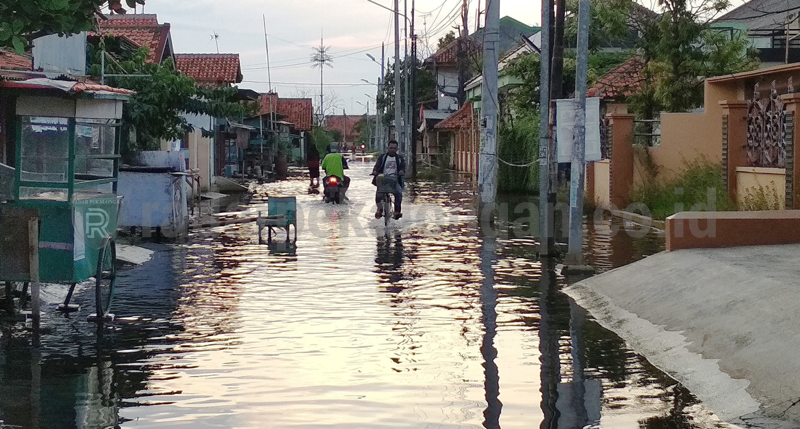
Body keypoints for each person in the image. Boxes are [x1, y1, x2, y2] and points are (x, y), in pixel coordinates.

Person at [371, 140, 405, 219]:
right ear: (387, 148)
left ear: (397, 149)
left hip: (395, 180)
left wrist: (401, 171)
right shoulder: (382, 157)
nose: (392, 150)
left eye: (394, 148)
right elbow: (377, 166)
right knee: (379, 194)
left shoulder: (399, 158)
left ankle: (397, 211)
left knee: (398, 193)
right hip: (383, 180)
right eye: (391, 148)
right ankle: (379, 210)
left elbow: (403, 167)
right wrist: (375, 171)